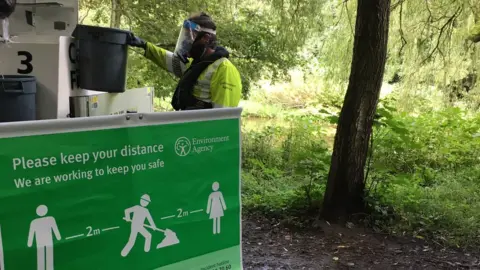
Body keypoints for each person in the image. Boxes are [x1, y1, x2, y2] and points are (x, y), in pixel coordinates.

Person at [127, 12, 242, 111]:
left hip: (205, 133)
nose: (185, 42)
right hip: (190, 126)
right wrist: (144, 45)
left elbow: (224, 117)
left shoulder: (224, 68)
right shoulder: (196, 64)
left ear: (205, 38)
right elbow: (169, 60)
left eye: (189, 37)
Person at [27, 205, 61, 270]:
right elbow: (55, 229)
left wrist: (29, 243)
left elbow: (31, 233)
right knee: (48, 255)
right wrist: (58, 237)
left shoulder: (34, 222)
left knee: (42, 256)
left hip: (41, 242)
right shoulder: (50, 219)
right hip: (47, 241)